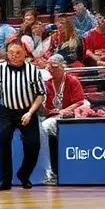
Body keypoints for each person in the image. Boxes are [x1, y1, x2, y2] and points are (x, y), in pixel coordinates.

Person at [0, 39, 45, 190]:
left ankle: (24, 174)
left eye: (18, 53)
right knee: (3, 142)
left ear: (24, 54)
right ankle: (5, 180)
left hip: (27, 111)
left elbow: (41, 94)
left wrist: (30, 112)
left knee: (34, 145)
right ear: (7, 54)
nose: (14, 56)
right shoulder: (0, 70)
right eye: (11, 53)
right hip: (6, 111)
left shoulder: (33, 70)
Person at [39, 55, 87, 185]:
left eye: (54, 68)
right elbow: (46, 107)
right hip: (52, 116)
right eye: (49, 68)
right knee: (41, 127)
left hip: (69, 116)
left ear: (62, 67)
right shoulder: (47, 84)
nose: (51, 70)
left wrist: (63, 111)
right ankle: (49, 170)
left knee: (45, 127)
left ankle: (52, 171)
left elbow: (79, 101)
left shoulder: (72, 81)